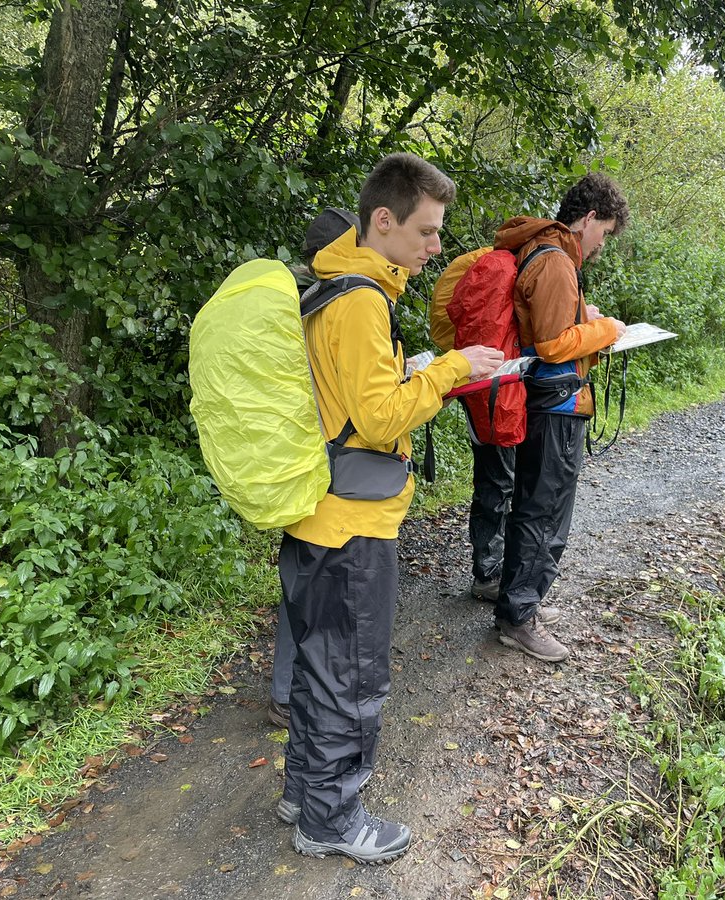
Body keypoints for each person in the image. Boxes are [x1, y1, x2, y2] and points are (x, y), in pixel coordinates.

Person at [278, 153, 503, 864]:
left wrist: (414, 371)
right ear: (384, 221)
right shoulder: (362, 301)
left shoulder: (334, 287)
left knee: (320, 667)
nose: (437, 247)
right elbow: (378, 420)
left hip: (318, 517)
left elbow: (351, 396)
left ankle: (305, 791)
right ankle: (332, 821)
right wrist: (451, 367)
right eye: (429, 232)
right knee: (352, 679)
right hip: (353, 527)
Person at [480, 173, 629, 663]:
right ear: (588, 219)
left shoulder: (543, 252)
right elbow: (551, 345)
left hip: (548, 399)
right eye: (604, 232)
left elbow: (557, 331)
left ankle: (521, 602)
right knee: (543, 511)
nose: (602, 244)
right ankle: (518, 616)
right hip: (557, 403)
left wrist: (590, 325)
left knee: (535, 504)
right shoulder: (556, 261)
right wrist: (606, 330)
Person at [267, 207, 363, 731]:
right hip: (321, 461)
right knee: (312, 585)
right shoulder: (330, 300)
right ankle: (290, 695)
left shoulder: (294, 302)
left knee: (298, 578)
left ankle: (287, 692)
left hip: (294, 456)